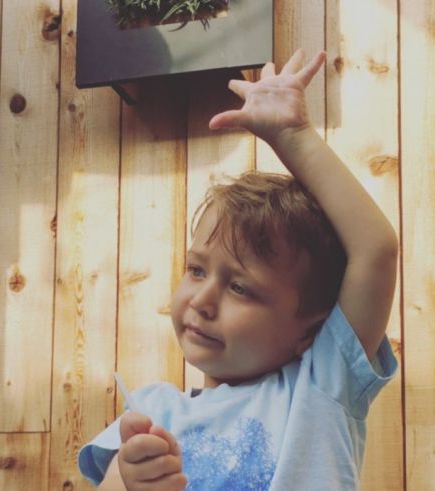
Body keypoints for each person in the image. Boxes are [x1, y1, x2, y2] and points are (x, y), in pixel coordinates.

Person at [79, 50, 399, 490]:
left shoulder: (323, 385)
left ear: (308, 330)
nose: (202, 300)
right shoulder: (152, 412)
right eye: (195, 270)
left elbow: (376, 249)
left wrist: (294, 135)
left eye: (241, 289)